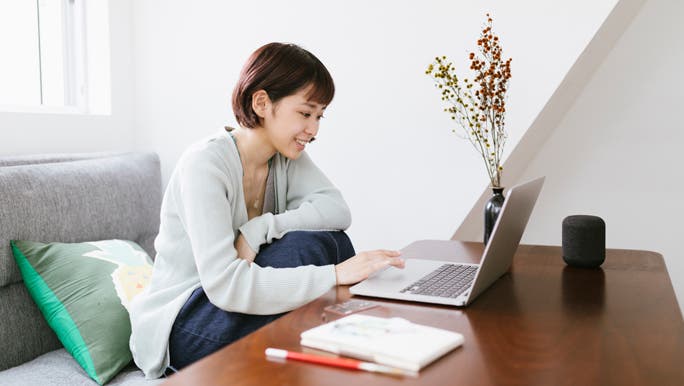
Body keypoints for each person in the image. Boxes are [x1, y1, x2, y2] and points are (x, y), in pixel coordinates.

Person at [128, 42, 405, 379]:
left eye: (319, 116)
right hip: (182, 324)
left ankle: (342, 338)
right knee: (308, 249)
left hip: (230, 308)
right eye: (305, 113)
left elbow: (336, 210)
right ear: (261, 103)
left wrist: (258, 229)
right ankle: (338, 330)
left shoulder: (285, 158)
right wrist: (334, 277)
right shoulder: (205, 164)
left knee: (329, 240)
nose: (313, 130)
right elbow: (226, 285)